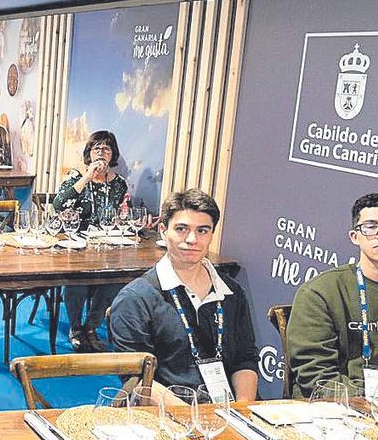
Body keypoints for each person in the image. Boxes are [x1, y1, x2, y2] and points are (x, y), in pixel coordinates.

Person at [110, 189, 259, 404]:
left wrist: (242, 412)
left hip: (228, 410)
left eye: (202, 231)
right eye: (181, 229)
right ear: (163, 230)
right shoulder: (134, 299)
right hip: (164, 413)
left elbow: (245, 359)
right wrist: (193, 420)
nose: (192, 239)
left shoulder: (232, 292)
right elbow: (138, 379)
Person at [287, 192, 378, 398]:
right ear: (355, 237)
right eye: (371, 227)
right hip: (337, 411)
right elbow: (316, 377)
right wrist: (373, 399)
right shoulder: (319, 293)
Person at [54, 130, 131, 352]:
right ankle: (76, 328)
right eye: (96, 148)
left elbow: (120, 213)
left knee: (115, 279)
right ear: (89, 153)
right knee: (77, 279)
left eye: (106, 148)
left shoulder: (119, 184)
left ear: (112, 155)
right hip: (73, 242)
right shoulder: (76, 177)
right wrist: (88, 176)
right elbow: (59, 205)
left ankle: (91, 327)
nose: (101, 152)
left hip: (105, 244)